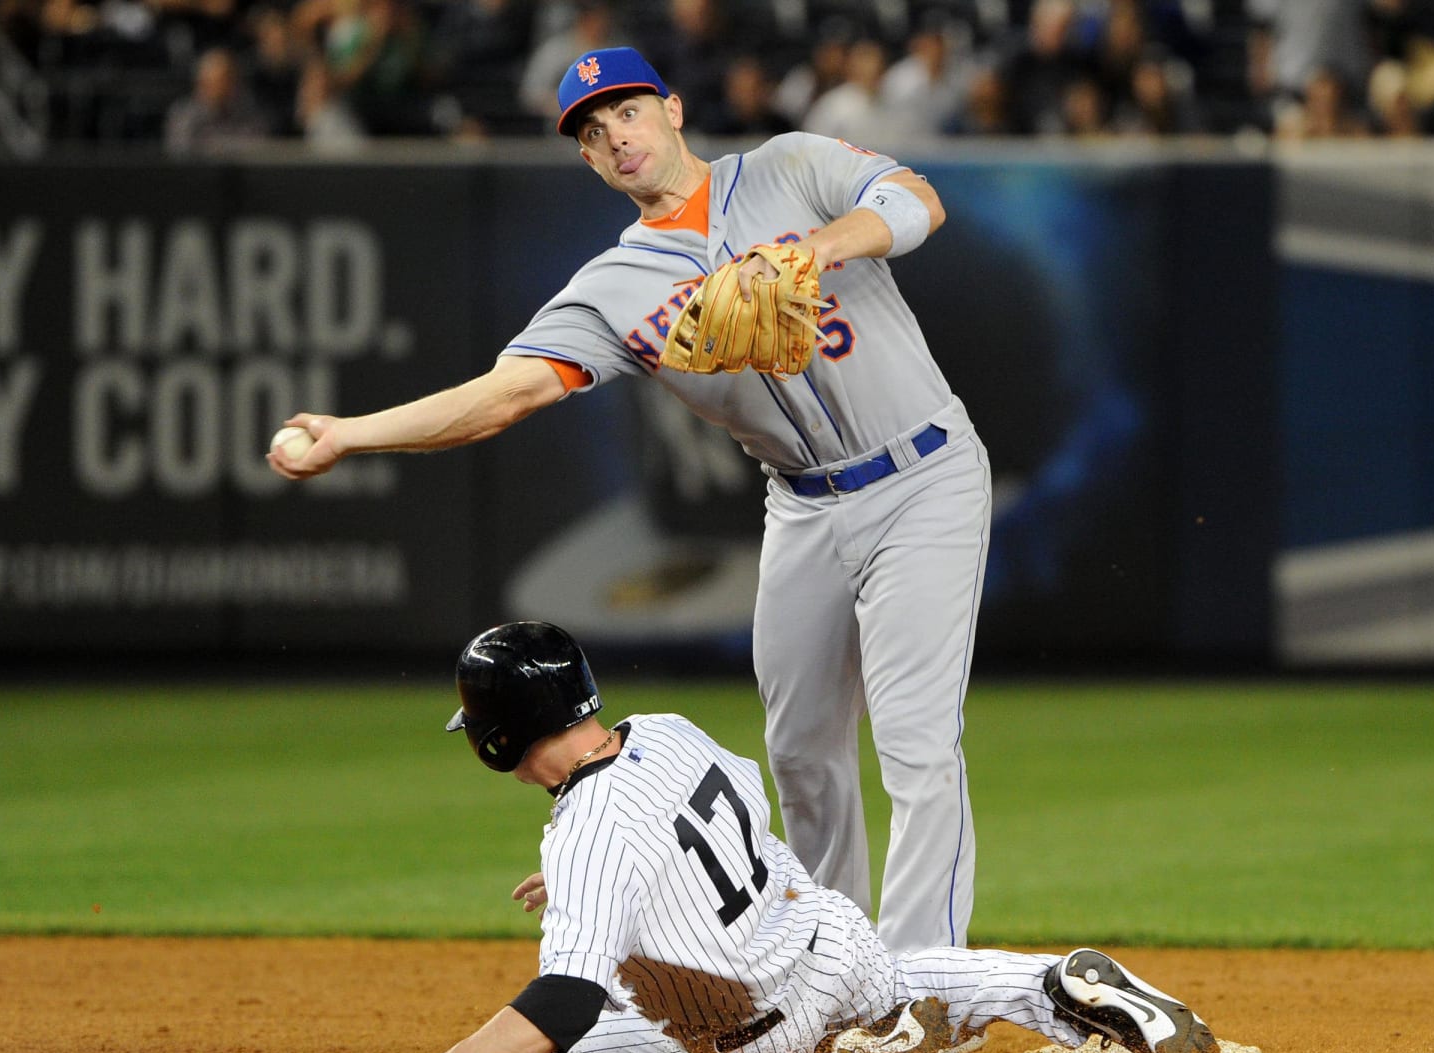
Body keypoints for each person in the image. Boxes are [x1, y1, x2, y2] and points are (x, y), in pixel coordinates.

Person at [268, 45, 992, 953]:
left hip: (923, 472)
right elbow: (505, 395)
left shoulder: (790, 167)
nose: (616, 136)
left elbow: (914, 199)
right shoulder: (612, 289)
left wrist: (809, 250)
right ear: (586, 158)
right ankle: (835, 963)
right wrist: (350, 432)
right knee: (803, 752)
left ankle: (927, 984)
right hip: (803, 505)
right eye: (593, 130)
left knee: (916, 743)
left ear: (673, 110)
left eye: (628, 112)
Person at [355, 621, 1224, 1053]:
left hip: (760, 1037)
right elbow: (733, 814)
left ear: (497, 737)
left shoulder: (585, 831)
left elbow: (564, 1001)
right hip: (837, 942)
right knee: (889, 967)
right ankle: (1041, 987)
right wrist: (622, 876)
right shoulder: (663, 729)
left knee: (583, 1050)